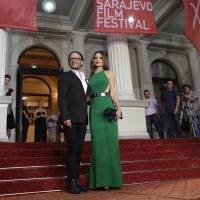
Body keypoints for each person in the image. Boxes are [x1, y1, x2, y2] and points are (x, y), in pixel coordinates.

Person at [88, 51, 122, 190]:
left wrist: (118, 108)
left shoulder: (109, 73)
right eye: (95, 57)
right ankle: (100, 179)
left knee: (110, 142)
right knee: (98, 143)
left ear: (104, 60)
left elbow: (112, 91)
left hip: (106, 105)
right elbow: (88, 97)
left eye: (100, 58)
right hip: (94, 108)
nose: (97, 59)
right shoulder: (89, 76)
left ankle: (112, 179)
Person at [58, 51, 89, 194]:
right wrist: (65, 117)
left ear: (82, 61)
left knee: (78, 150)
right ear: (69, 61)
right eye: (71, 59)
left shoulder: (84, 78)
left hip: (82, 119)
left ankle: (77, 181)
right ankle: (71, 183)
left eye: (77, 59)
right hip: (70, 119)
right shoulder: (65, 76)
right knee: (72, 150)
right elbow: (62, 98)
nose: (74, 60)